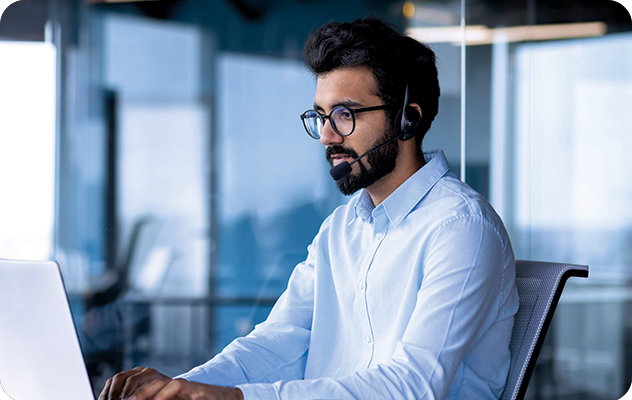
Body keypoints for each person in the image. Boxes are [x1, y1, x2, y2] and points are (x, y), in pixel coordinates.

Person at [100, 17, 519, 400]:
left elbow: (413, 386)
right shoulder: (342, 228)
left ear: (408, 119)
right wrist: (188, 387)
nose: (326, 136)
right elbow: (279, 339)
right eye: (320, 116)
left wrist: (236, 398)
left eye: (344, 114)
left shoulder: (461, 228)